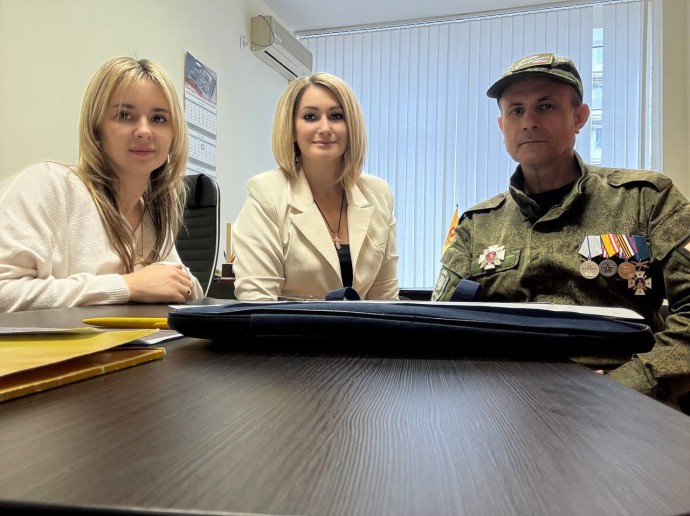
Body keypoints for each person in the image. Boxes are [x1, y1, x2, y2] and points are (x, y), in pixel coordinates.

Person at [432, 52, 690, 411]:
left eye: (546, 106)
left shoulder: (645, 199)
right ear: (502, 126)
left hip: (625, 403)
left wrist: (628, 386)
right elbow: (441, 326)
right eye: (516, 110)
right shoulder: (478, 224)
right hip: (504, 403)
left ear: (579, 117)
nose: (529, 122)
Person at [0, 56, 203, 312]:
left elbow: (182, 286)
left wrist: (178, 284)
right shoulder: (47, 185)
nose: (144, 131)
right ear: (97, 128)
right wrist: (125, 286)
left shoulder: (152, 212)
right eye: (124, 115)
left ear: (175, 135)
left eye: (159, 119)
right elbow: (4, 292)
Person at [233, 72, 399, 300]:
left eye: (336, 116)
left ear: (351, 127)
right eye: (310, 117)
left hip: (363, 325)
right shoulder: (266, 194)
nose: (325, 127)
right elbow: (258, 301)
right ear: (292, 129)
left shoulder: (378, 194)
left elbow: (385, 299)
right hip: (288, 324)